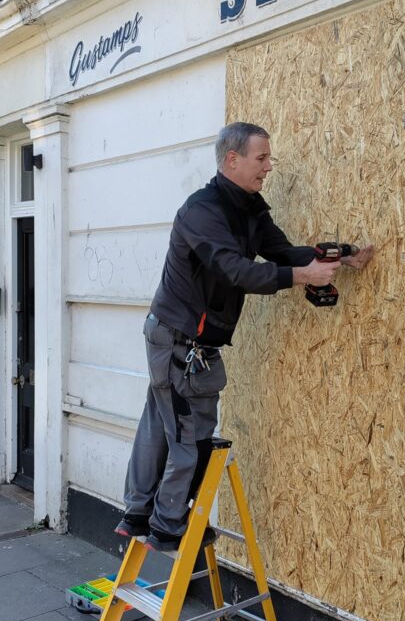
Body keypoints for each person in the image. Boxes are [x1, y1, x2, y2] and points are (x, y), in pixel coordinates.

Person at [116, 122, 374, 550]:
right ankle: (167, 527)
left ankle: (137, 514)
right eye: (262, 158)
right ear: (232, 159)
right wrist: (300, 276)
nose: (269, 167)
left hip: (177, 338)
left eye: (269, 158)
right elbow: (235, 269)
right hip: (181, 340)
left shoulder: (250, 207)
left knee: (161, 427)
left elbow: (281, 251)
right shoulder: (202, 211)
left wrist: (341, 256)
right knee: (190, 433)